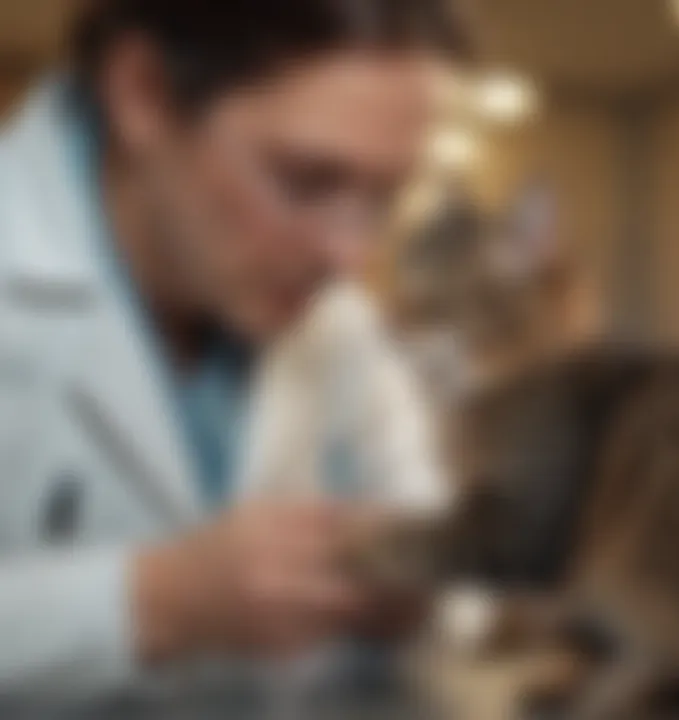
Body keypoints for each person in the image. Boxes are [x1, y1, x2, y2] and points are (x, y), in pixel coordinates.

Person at [0, 0, 467, 714]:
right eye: (306, 182)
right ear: (144, 92)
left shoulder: (336, 320)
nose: (352, 256)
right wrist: (149, 602)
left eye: (387, 198)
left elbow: (433, 523)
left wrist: (421, 583)